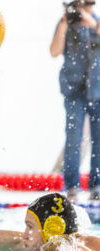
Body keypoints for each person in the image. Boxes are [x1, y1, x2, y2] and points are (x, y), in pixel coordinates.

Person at [50, 0, 100, 201]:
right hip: (74, 91)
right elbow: (54, 52)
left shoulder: (96, 22)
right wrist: (63, 23)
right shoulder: (65, 24)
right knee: (73, 138)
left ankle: (97, 186)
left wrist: (93, 25)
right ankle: (72, 187)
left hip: (97, 90)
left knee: (99, 140)